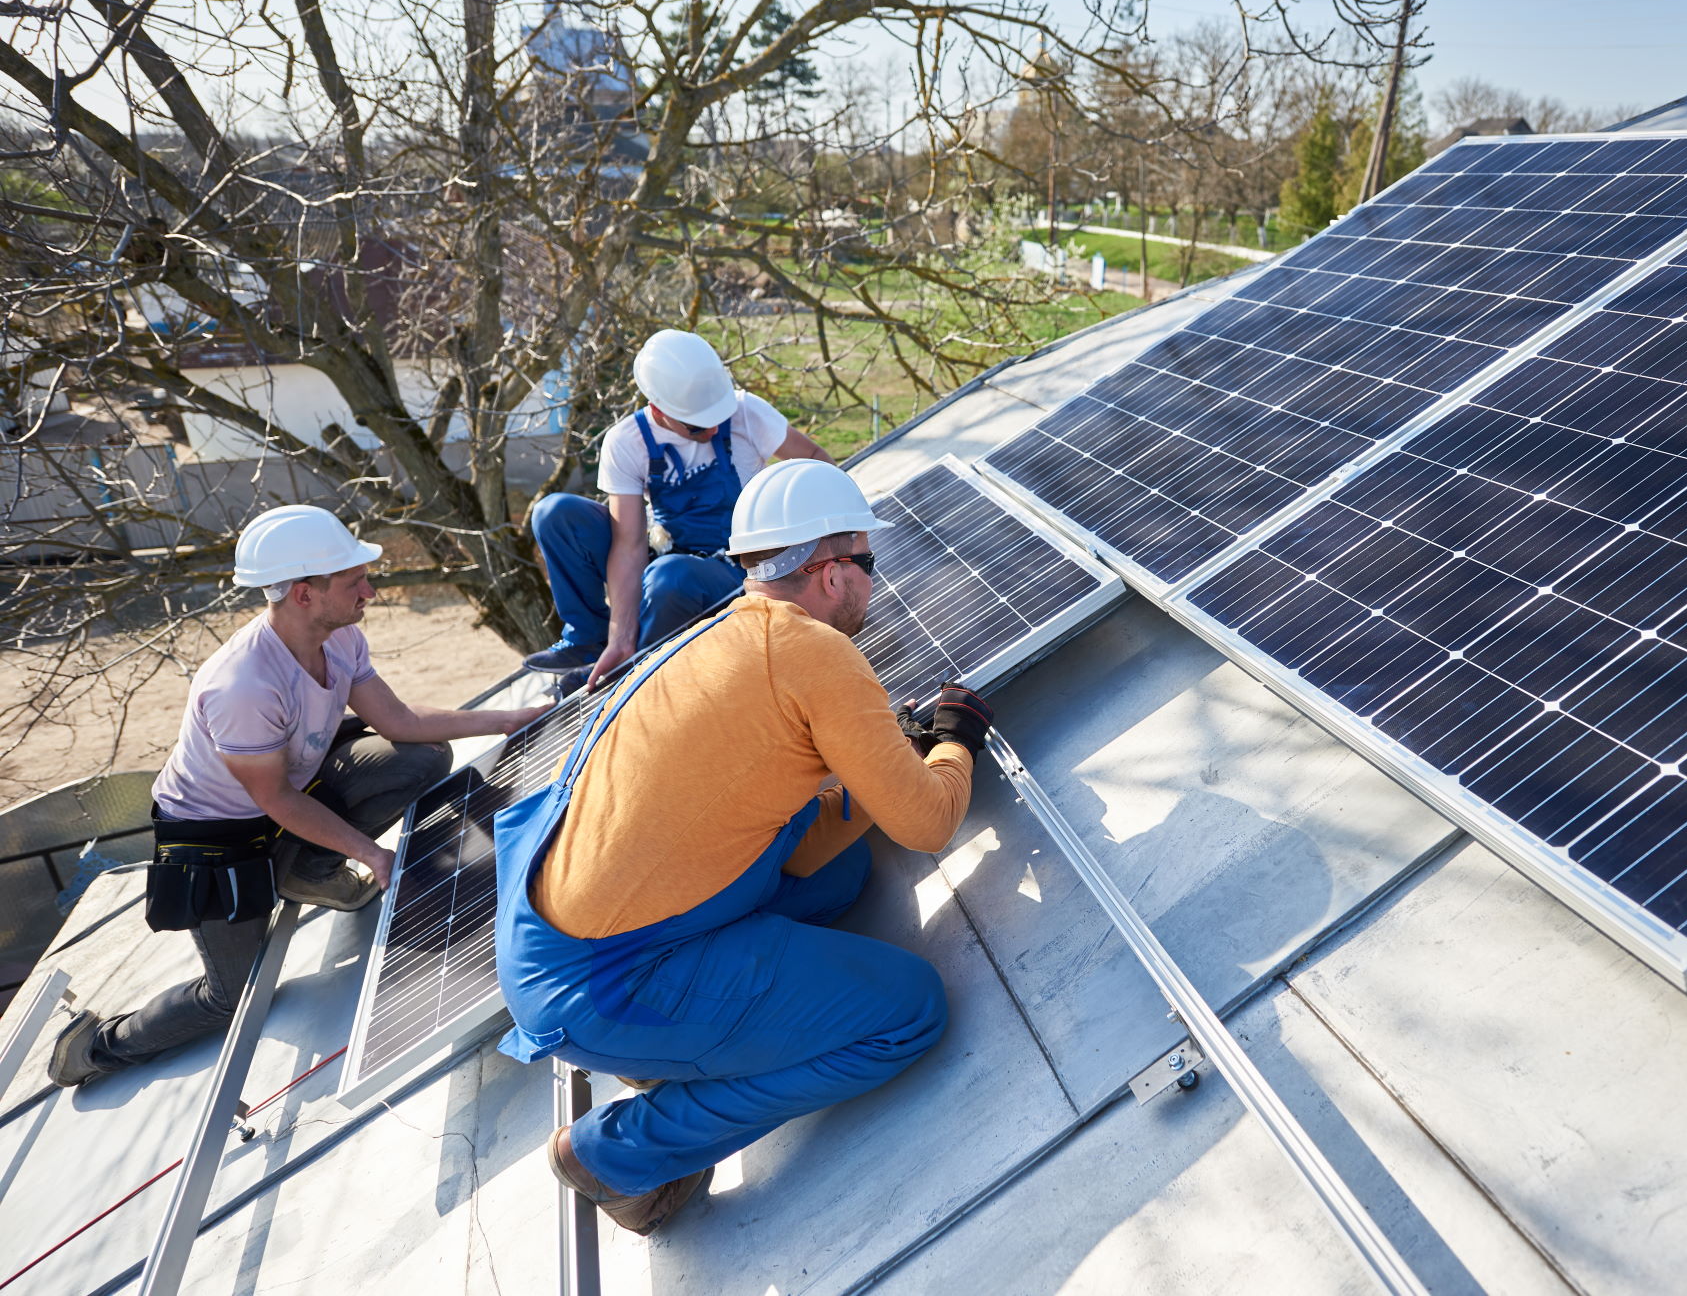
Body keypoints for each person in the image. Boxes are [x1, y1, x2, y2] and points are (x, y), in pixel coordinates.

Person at [492, 459, 995, 1237]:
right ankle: (614, 1156)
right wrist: (955, 740)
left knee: (840, 869)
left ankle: (681, 1040)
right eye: (867, 561)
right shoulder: (820, 655)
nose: (873, 581)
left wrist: (883, 754)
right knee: (910, 1010)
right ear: (829, 572)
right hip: (607, 979)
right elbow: (928, 823)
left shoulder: (716, 631)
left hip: (558, 934)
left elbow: (797, 853)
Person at [48, 505, 550, 1089]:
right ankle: (97, 1050)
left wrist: (508, 719)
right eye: (352, 580)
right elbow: (279, 801)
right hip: (219, 841)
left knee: (424, 758)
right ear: (303, 594)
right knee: (228, 996)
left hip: (292, 794)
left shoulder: (340, 640)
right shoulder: (243, 685)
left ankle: (309, 869)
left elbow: (398, 719)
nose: (370, 588)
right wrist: (374, 855)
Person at [525, 329, 833, 692]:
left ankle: (627, 674)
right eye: (698, 425)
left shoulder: (745, 412)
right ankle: (594, 639)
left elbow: (816, 459)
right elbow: (628, 544)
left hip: (741, 570)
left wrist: (834, 537)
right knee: (555, 513)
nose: (714, 427)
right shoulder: (628, 442)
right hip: (670, 559)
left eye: (718, 415)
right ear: (658, 410)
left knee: (671, 578)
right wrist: (619, 633)